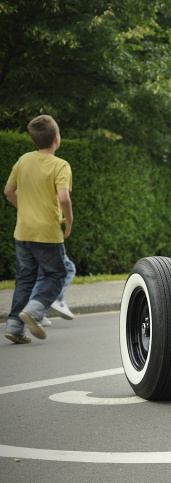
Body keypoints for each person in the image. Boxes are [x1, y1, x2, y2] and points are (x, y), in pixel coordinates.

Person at [4, 115, 73, 344]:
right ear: (56, 138)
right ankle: (34, 311)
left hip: (23, 232)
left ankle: (14, 326)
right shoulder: (60, 165)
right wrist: (69, 220)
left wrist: (24, 208)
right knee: (58, 274)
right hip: (47, 233)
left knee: (25, 279)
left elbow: (8, 191)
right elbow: (63, 198)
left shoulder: (23, 160)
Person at [30, 251, 76, 326]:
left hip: (28, 245)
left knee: (41, 275)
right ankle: (55, 298)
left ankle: (33, 314)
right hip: (48, 245)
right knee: (68, 268)